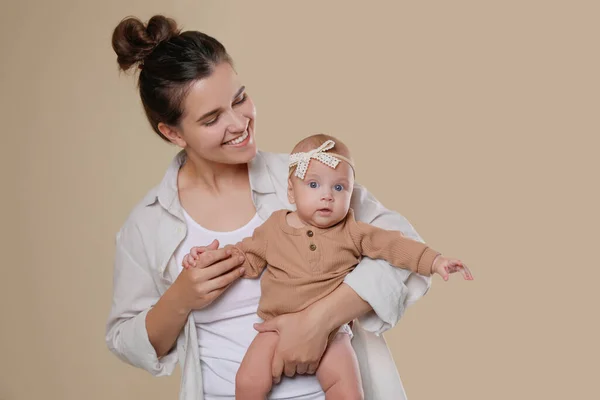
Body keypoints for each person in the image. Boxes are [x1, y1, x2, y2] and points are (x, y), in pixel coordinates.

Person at [106, 15, 435, 400]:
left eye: (240, 98)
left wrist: (318, 321)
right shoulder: (147, 223)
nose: (238, 123)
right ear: (173, 133)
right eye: (212, 118)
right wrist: (180, 298)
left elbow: (403, 248)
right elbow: (124, 338)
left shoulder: (306, 176)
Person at [182, 134, 473, 399]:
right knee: (247, 381)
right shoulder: (274, 229)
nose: (327, 195)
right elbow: (245, 257)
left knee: (347, 389)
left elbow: (395, 245)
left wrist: (435, 260)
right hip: (274, 329)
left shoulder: (353, 231)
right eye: (313, 184)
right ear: (292, 193)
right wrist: (209, 259)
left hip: (333, 333)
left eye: (339, 187)